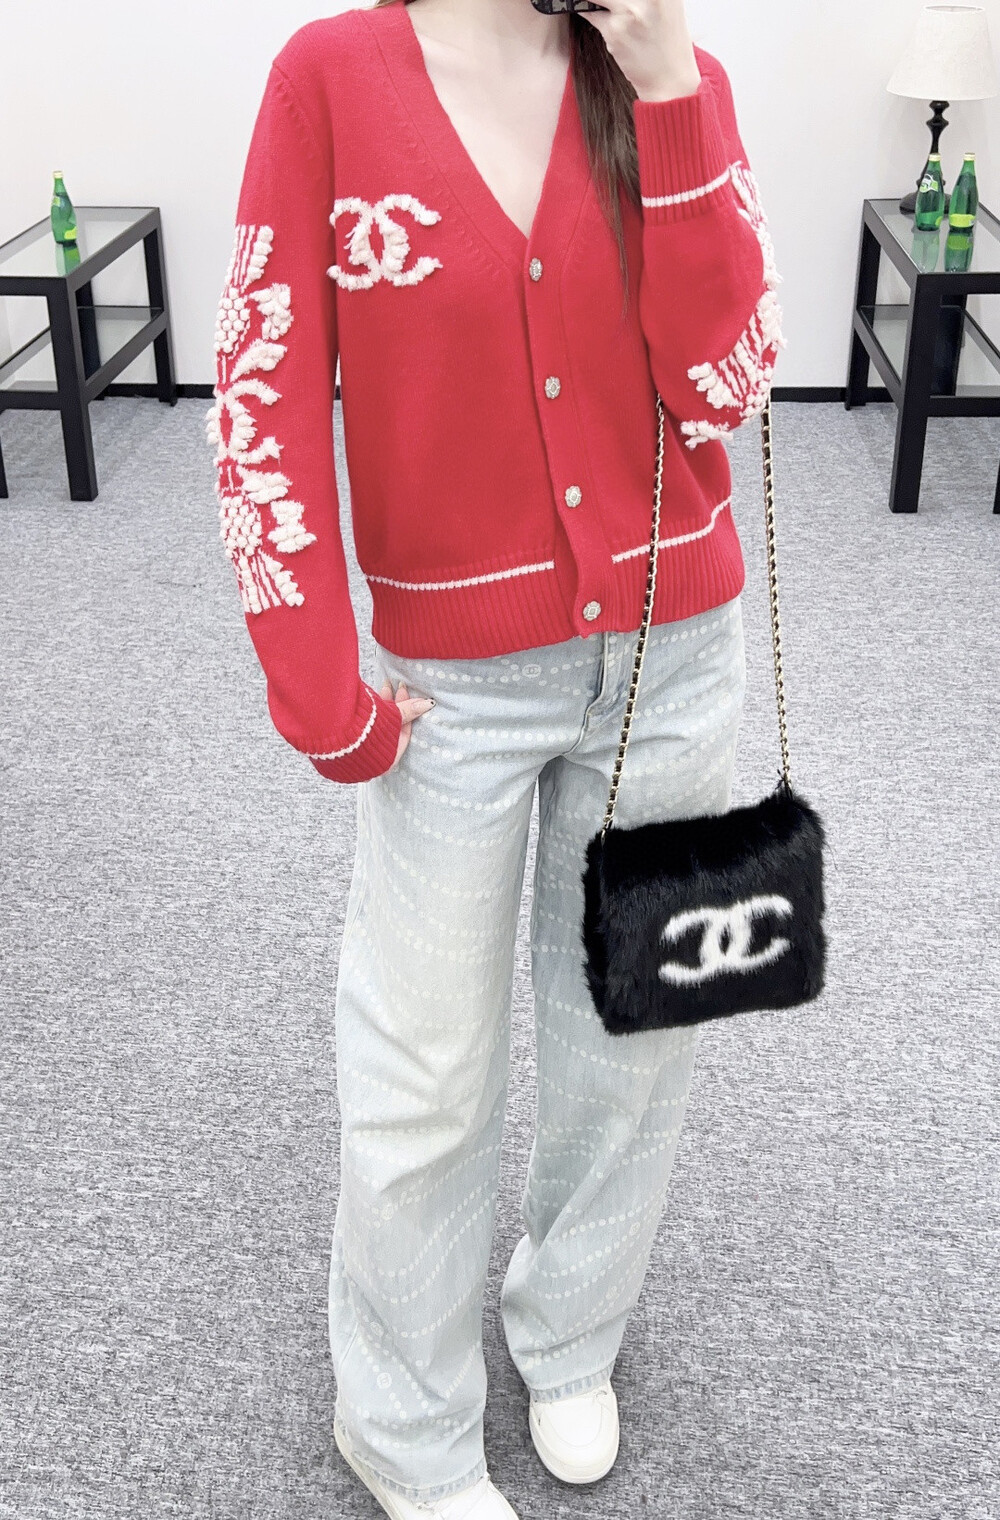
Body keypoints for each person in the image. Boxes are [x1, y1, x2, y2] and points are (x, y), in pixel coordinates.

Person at [206, 0, 784, 1515]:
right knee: (423, 1070)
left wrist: (669, 91)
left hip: (673, 662)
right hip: (448, 691)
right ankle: (402, 1430)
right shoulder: (331, 82)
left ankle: (571, 1331)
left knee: (636, 1029)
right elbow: (263, 392)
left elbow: (728, 386)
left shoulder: (674, 77)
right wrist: (318, 686)